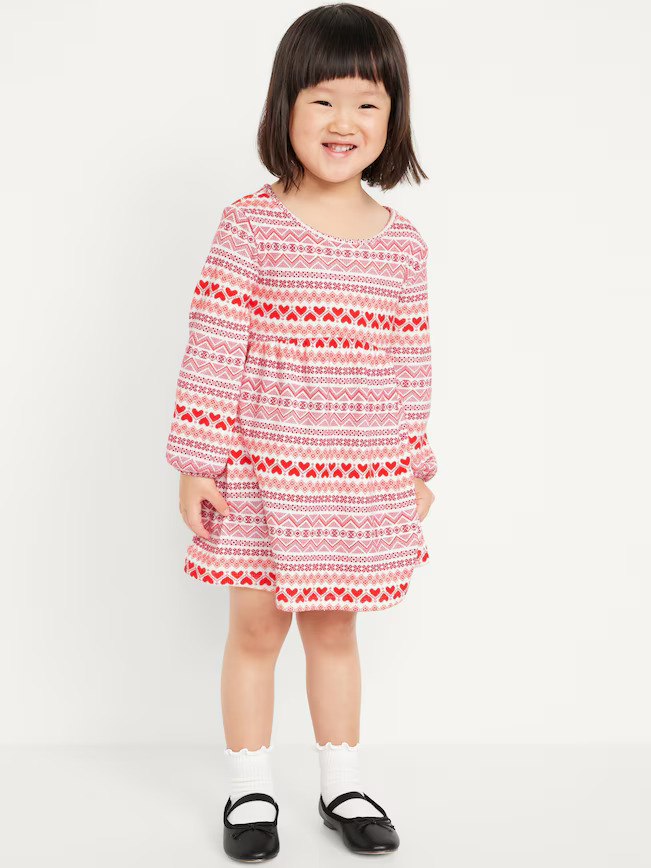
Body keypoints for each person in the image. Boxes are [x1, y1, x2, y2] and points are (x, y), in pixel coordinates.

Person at [164, 3, 438, 860]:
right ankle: (249, 787)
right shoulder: (250, 224)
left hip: (355, 476)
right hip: (257, 472)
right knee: (255, 629)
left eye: (366, 102)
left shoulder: (402, 245)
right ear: (284, 106)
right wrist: (197, 461)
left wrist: (416, 463)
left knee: (334, 630)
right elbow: (213, 342)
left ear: (392, 118)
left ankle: (341, 781)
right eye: (322, 99)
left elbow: (410, 362)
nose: (342, 121)